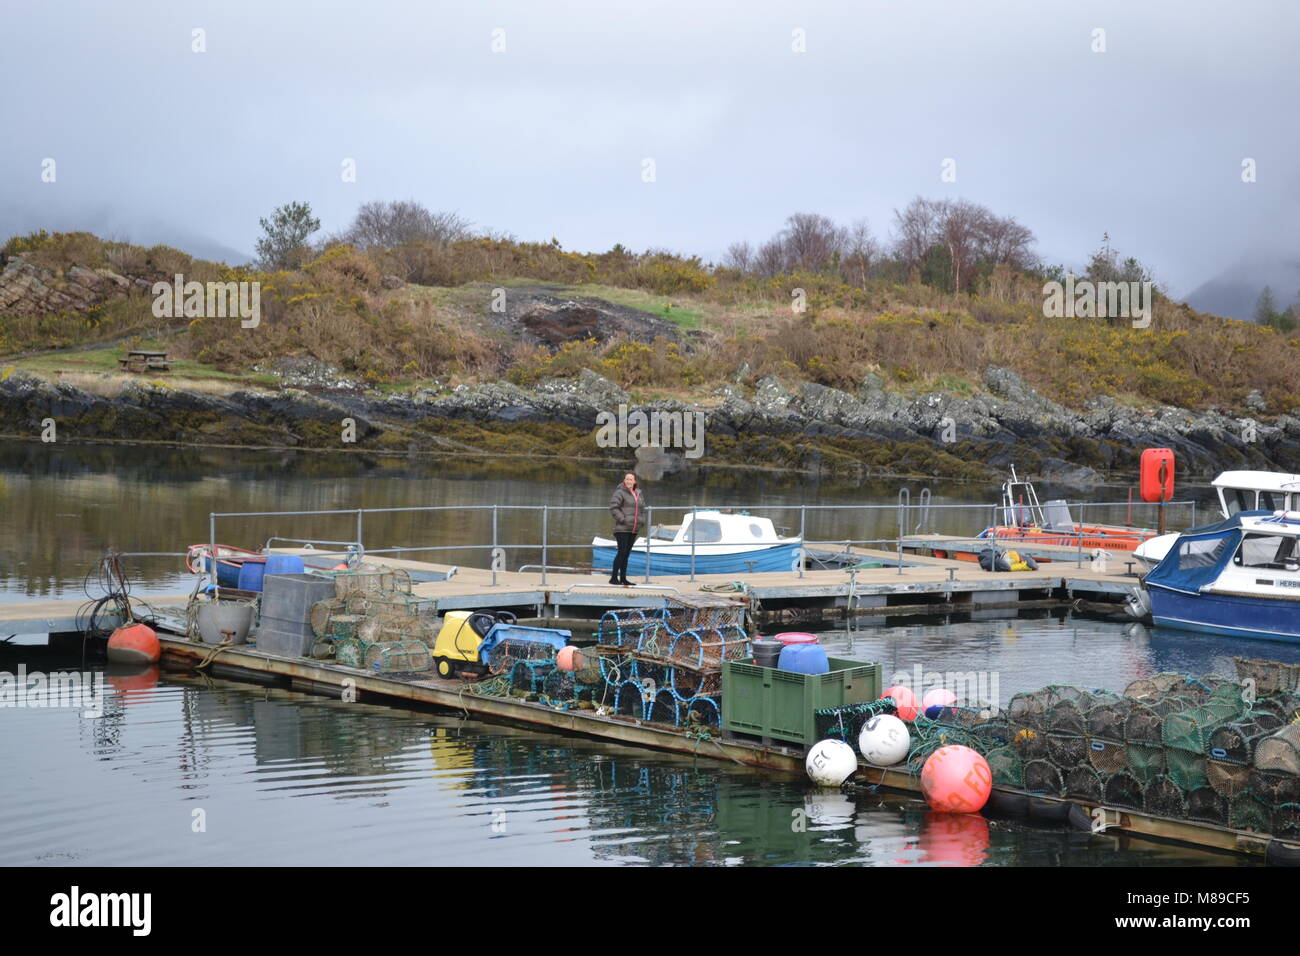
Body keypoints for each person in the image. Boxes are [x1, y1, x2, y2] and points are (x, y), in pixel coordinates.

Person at [608, 472, 645, 586]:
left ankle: (623, 578)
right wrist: (622, 519)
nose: (628, 481)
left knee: (626, 554)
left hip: (633, 529)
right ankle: (614, 578)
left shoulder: (638, 493)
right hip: (622, 528)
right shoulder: (620, 492)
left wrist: (641, 521)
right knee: (621, 553)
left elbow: (642, 508)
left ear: (635, 481)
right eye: (627, 479)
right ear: (624, 480)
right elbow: (614, 507)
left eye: (631, 479)